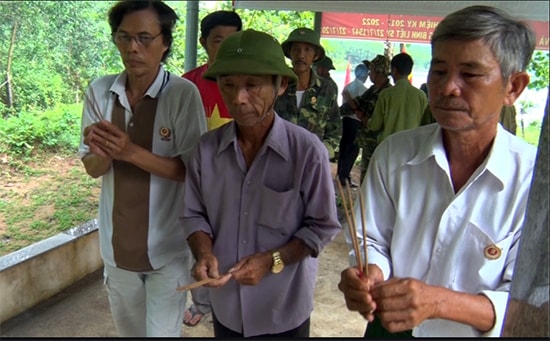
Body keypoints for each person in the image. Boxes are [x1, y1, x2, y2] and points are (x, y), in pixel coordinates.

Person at [338, 5, 537, 337]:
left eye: (470, 74)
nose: (447, 88)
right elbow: (370, 236)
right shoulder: (395, 154)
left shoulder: (532, 180)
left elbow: (529, 302)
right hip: (389, 329)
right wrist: (371, 271)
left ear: (513, 87)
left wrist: (439, 303)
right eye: (439, 71)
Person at [181, 29, 341, 338]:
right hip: (227, 308)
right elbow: (193, 214)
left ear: (281, 85)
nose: (238, 99)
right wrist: (204, 253)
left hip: (282, 309)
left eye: (252, 86)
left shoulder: (307, 152)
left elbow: (321, 227)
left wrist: (273, 260)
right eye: (228, 85)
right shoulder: (205, 150)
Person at [78, 0, 207, 337]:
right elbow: (93, 169)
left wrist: (130, 151)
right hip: (116, 250)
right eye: (124, 37)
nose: (133, 47)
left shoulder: (182, 94)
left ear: (165, 42)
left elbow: (192, 172)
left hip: (168, 252)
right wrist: (103, 151)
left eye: (145, 38)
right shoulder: (100, 92)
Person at [181, 9, 242, 327]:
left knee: (233, 241)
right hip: (192, 181)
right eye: (219, 40)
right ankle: (201, 301)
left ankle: (228, 302)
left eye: (233, 40)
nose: (226, 47)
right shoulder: (185, 85)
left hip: (237, 182)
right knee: (198, 242)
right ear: (204, 42)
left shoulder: (247, 84)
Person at [275, 27, 340, 161]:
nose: (301, 55)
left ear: (315, 55)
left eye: (307, 50)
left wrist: (322, 153)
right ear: (290, 53)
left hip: (312, 162)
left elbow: (335, 129)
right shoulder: (276, 84)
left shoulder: (327, 89)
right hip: (277, 157)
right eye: (296, 49)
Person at [339, 55, 392, 182]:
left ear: (379, 72)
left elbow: (376, 120)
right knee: (365, 177)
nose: (369, 74)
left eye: (371, 70)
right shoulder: (373, 90)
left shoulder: (387, 93)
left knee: (373, 179)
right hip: (367, 142)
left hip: (378, 144)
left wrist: (359, 113)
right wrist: (335, 112)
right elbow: (359, 102)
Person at [367, 52, 428, 145]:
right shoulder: (421, 96)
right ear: (409, 71)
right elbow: (425, 127)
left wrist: (365, 120)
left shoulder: (386, 94)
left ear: (394, 70)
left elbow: (375, 125)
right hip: (411, 150)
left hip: (388, 148)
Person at [336, 63, 369, 187]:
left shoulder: (347, 87)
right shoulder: (364, 91)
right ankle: (345, 175)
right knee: (353, 149)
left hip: (345, 120)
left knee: (344, 147)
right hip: (356, 121)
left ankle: (341, 174)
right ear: (365, 76)